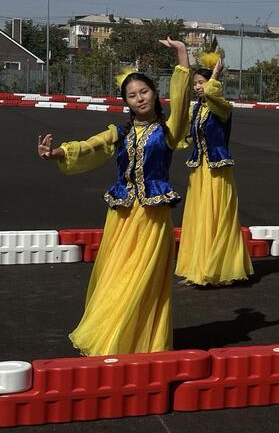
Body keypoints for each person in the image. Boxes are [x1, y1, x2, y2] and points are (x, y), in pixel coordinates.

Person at [36, 38, 191, 355]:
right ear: (127, 102)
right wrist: (57, 153)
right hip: (121, 217)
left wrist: (181, 55)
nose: (139, 98)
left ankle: (140, 341)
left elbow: (183, 98)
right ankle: (112, 335)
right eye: (132, 95)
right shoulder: (120, 133)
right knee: (116, 275)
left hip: (153, 219)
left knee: (143, 279)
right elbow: (90, 146)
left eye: (144, 91)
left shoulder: (168, 130)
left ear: (155, 94)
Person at [175, 52, 253, 286]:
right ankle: (198, 267)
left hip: (217, 170)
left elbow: (211, 93)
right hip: (199, 170)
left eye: (201, 82)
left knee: (216, 215)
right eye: (196, 84)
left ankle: (217, 269)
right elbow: (185, 137)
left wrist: (216, 74)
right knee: (199, 217)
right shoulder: (196, 110)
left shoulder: (222, 107)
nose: (198, 87)